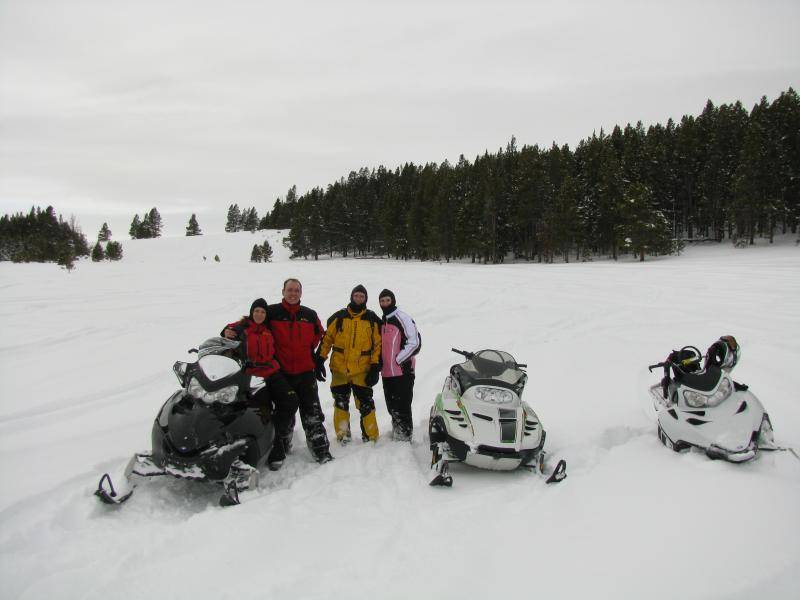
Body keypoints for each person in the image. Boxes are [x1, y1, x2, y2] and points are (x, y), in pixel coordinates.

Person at [222, 298, 299, 470]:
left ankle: (280, 435)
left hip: (272, 371)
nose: (259, 314)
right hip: (251, 376)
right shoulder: (242, 327)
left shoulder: (268, 328)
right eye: (256, 311)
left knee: (290, 401)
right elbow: (227, 332)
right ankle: (275, 450)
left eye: (263, 312)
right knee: (263, 412)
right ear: (251, 312)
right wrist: (225, 332)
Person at [266, 278, 333, 463]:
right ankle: (281, 448)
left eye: (296, 290)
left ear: (301, 293)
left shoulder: (309, 315)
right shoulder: (271, 312)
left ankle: (321, 452)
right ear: (283, 291)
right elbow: (250, 324)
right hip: (282, 374)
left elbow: (322, 335)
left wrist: (316, 358)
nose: (293, 293)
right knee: (283, 414)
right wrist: (229, 330)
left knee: (312, 414)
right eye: (290, 290)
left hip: (305, 373)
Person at [317, 284, 382, 444]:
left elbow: (378, 345)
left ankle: (371, 437)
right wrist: (319, 359)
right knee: (340, 403)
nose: (359, 299)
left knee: (366, 404)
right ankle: (343, 436)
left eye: (362, 296)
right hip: (339, 369)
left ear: (365, 299)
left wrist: (375, 367)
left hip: (362, 370)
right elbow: (327, 340)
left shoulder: (372, 319)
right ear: (352, 297)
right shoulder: (339, 316)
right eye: (356, 296)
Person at [378, 289, 420, 441]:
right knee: (392, 406)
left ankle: (404, 438)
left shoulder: (402, 318)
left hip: (403, 373)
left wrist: (398, 360)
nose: (384, 304)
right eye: (382, 301)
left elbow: (414, 343)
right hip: (387, 373)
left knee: (402, 407)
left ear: (393, 301)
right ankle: (397, 432)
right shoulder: (383, 321)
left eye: (387, 300)